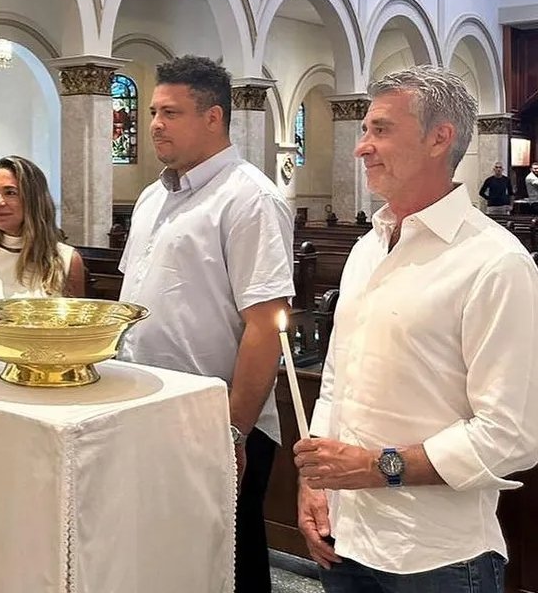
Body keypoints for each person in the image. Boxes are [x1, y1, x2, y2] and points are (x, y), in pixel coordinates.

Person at [294, 66, 538, 593]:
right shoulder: (367, 246)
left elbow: (512, 435)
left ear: (439, 138)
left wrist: (380, 467)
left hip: (437, 554)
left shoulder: (495, 263)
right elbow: (337, 378)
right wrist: (316, 480)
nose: (362, 147)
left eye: (380, 129)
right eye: (363, 130)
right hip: (347, 535)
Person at [116, 55, 295, 593]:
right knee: (165, 555)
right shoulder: (153, 197)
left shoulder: (250, 198)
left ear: (213, 117)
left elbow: (266, 326)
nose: (154, 125)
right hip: (148, 405)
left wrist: (232, 431)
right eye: (151, 111)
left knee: (229, 560)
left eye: (169, 112)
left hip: (214, 418)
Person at [0, 155, 85, 365]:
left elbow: (77, 339)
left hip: (46, 379)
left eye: (10, 193)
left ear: (33, 199)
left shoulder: (67, 260)